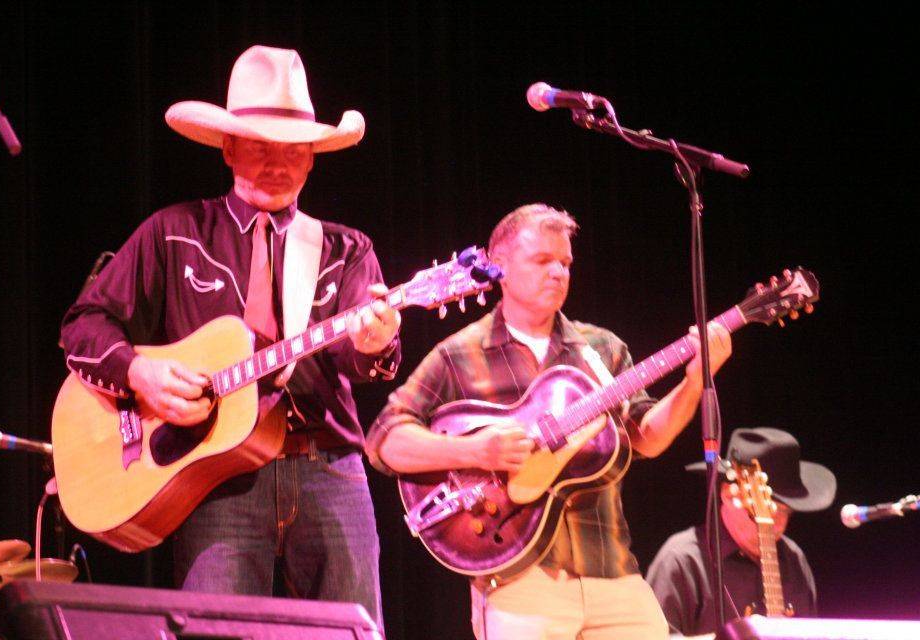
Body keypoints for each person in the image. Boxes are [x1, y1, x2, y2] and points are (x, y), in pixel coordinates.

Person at [60, 46, 400, 631]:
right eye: (259, 145)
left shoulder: (347, 249)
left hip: (329, 468)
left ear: (313, 159)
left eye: (292, 150)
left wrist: (375, 344)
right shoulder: (174, 233)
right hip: (214, 477)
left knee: (354, 631)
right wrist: (139, 373)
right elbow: (83, 326)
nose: (276, 163)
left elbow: (360, 356)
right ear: (228, 147)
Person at [366, 203, 733, 640]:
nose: (558, 272)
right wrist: (473, 450)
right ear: (499, 265)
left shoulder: (602, 348)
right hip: (518, 582)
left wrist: (695, 381)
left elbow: (646, 439)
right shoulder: (459, 353)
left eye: (565, 263)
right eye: (543, 261)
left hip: (613, 571)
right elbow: (384, 440)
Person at [646, 427, 836, 637]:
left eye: (784, 511)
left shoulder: (793, 559)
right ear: (729, 495)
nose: (775, 523)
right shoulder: (682, 559)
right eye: (768, 507)